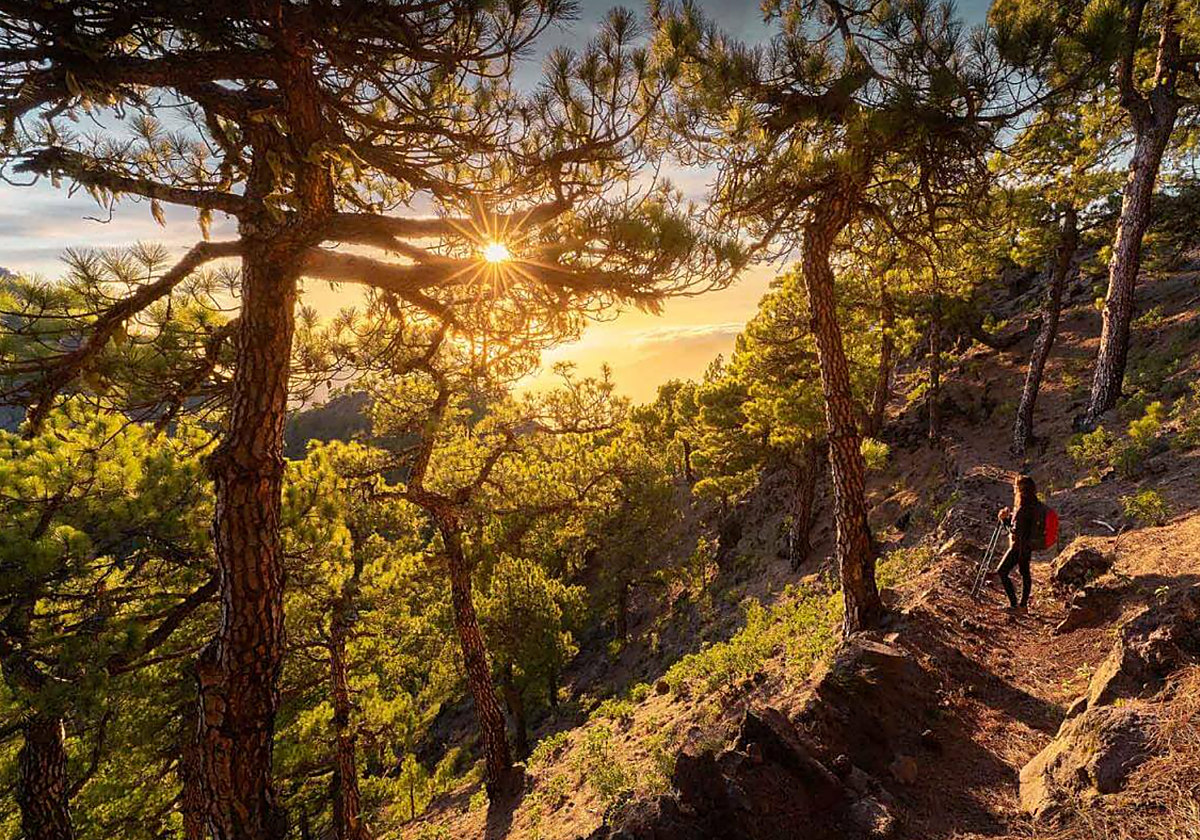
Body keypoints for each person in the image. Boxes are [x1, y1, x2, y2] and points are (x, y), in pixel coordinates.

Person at [991, 474, 1039, 610]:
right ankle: (1023, 605)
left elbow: (1015, 531)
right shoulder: (1033, 503)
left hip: (1018, 546)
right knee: (1025, 573)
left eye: (1015, 486)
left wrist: (1004, 520)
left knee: (1002, 571)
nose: (1013, 488)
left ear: (1020, 489)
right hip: (1027, 546)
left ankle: (1014, 604)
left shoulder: (1023, 507)